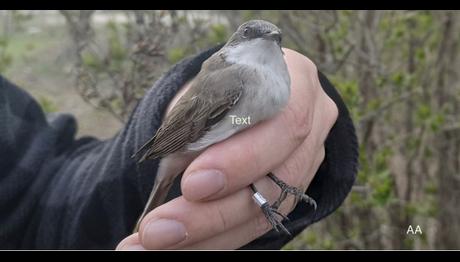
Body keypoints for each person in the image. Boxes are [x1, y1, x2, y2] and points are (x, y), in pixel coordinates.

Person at [0, 44, 358, 250]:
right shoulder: (231, 85)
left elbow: (41, 194)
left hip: (191, 164)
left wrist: (303, 141)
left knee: (229, 162)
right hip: (191, 146)